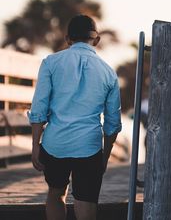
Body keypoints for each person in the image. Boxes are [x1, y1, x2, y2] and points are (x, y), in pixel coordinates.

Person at [27, 14, 122, 220]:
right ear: (96, 40)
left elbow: (39, 108)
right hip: (89, 147)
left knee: (56, 193)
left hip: (54, 145)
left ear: (68, 38)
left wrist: (35, 145)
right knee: (85, 202)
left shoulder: (50, 63)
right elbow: (112, 123)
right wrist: (104, 157)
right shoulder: (108, 73)